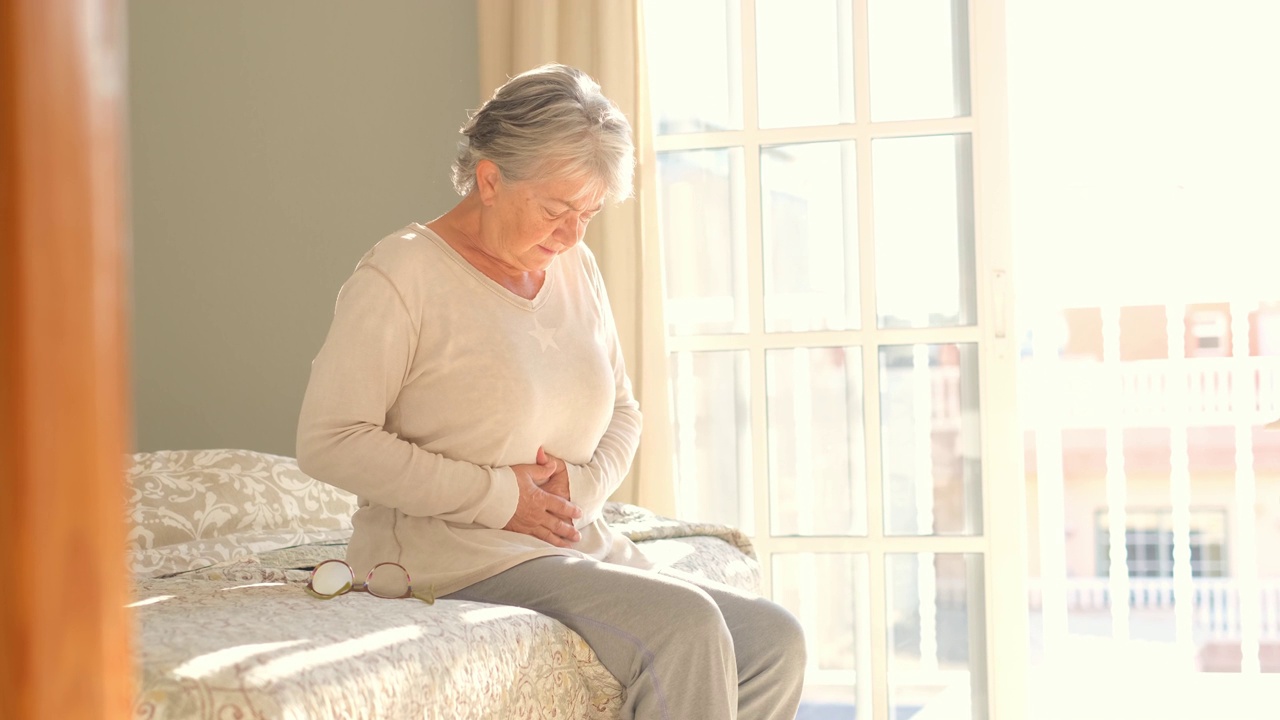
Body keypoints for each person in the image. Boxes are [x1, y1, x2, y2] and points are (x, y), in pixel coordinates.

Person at [296, 63, 805, 719]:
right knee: (685, 624)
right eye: (557, 210)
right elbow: (330, 442)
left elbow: (624, 410)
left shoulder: (575, 266)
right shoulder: (403, 272)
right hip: (448, 558)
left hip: (568, 544)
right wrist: (501, 498)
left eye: (588, 214)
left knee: (773, 640)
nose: (571, 235)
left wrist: (582, 487)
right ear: (489, 180)